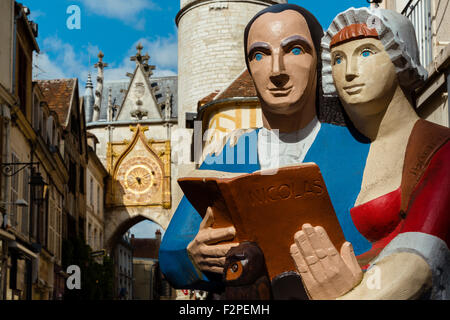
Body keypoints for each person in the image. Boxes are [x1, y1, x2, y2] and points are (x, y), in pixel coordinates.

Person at [159, 4, 373, 294]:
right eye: (259, 55)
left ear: (319, 61)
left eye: (295, 50)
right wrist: (194, 257)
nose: (276, 71)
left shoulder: (361, 148)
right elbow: (170, 251)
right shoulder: (231, 154)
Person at [290, 7, 450, 300]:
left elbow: (417, 263)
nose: (349, 71)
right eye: (338, 59)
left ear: (400, 59)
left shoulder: (440, 149)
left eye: (366, 52)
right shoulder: (328, 153)